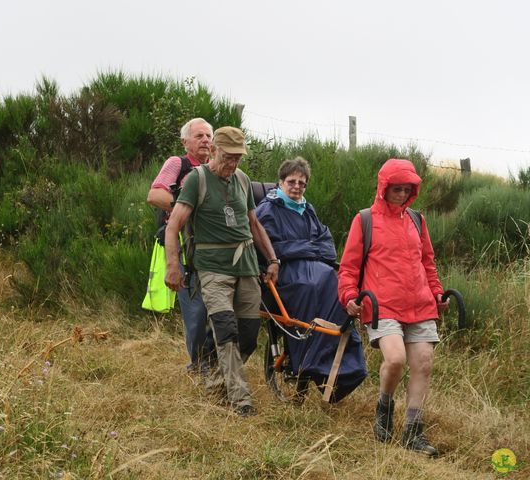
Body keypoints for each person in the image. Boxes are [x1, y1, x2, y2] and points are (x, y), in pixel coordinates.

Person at [164, 126, 279, 416]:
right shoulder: (196, 180)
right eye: (229, 157)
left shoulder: (242, 179)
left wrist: (273, 259)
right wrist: (172, 265)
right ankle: (242, 401)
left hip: (247, 266)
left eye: (238, 158)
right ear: (214, 150)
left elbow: (254, 224)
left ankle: (215, 384)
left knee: (249, 335)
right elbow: (174, 224)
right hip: (212, 269)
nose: (234, 164)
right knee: (226, 331)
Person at [338, 158, 448, 457]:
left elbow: (427, 262)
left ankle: (414, 432)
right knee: (396, 360)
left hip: (420, 303)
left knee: (424, 362)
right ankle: (384, 405)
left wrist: (437, 293)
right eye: (396, 189)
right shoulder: (365, 220)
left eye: (406, 189)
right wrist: (349, 295)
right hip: (382, 304)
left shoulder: (416, 219)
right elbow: (348, 267)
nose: (401, 194)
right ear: (383, 188)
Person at [256, 157, 367, 402]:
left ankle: (342, 367)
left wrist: (304, 248)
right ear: (281, 182)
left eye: (302, 183)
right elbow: (273, 248)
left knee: (337, 288)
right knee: (311, 286)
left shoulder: (308, 209)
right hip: (287, 273)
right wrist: (308, 248)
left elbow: (327, 245)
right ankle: (309, 361)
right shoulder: (268, 209)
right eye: (291, 182)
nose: (297, 187)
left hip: (319, 270)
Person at [147, 118, 215, 374]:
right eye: (199, 136)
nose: (206, 140)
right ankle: (198, 366)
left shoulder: (217, 168)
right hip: (183, 248)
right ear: (185, 141)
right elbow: (155, 195)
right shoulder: (178, 163)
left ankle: (210, 364)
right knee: (196, 312)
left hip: (212, 249)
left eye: (209, 136)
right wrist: (187, 211)